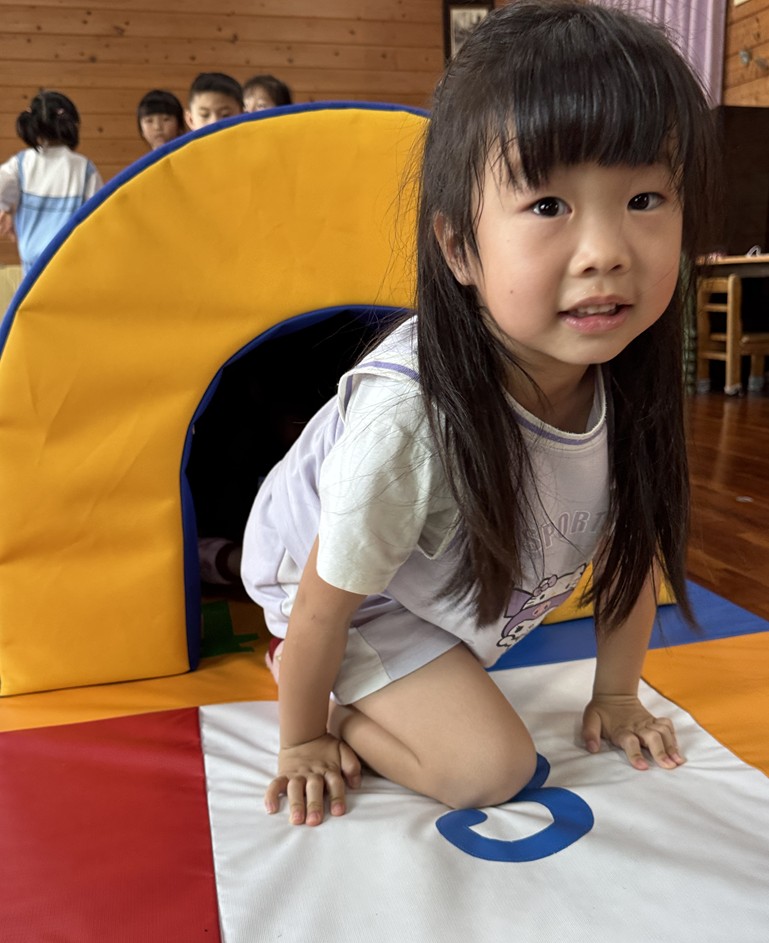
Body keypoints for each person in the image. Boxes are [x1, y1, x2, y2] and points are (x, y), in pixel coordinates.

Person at [241, 0, 720, 827]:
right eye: (548, 206)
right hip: (332, 587)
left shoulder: (627, 371)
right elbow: (325, 601)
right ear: (459, 247)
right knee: (489, 769)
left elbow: (633, 549)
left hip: (419, 579)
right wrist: (306, 737)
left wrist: (616, 694)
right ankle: (321, 685)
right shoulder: (409, 420)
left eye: (644, 198)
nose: (606, 251)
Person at [0, 90, 102, 274]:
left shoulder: (22, 163)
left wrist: (6, 210)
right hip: (72, 267)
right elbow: (98, 218)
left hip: (32, 270)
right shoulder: (84, 168)